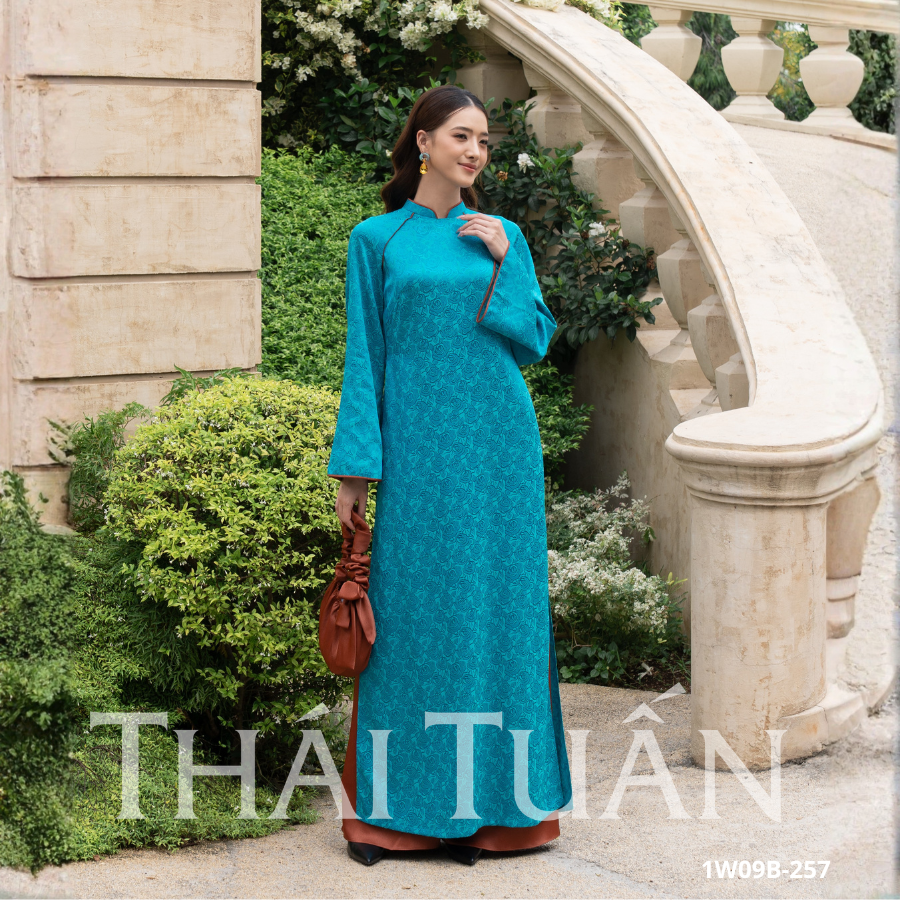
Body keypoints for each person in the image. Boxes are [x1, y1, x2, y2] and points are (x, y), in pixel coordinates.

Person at [327, 84, 573, 867]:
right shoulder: (377, 239)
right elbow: (364, 357)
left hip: (499, 449)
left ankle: (502, 816)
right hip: (419, 453)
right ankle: (401, 816)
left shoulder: (502, 234)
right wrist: (355, 470)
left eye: (485, 141)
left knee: (498, 613)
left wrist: (505, 264)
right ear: (423, 143)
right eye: (462, 136)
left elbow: (534, 338)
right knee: (415, 613)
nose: (475, 151)